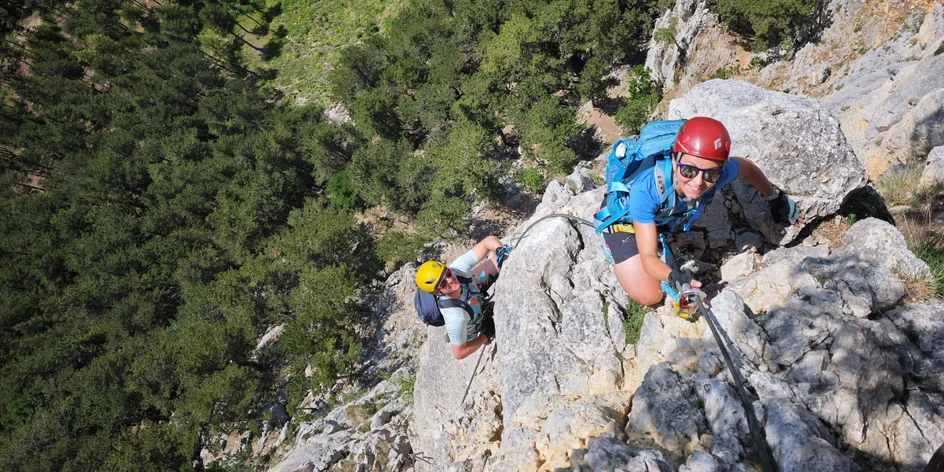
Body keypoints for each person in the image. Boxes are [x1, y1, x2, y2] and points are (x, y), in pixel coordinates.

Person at [601, 117, 802, 305]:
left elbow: (747, 168)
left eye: (711, 174)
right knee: (650, 296)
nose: (698, 182)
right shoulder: (646, 190)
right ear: (674, 160)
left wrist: (775, 198)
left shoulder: (713, 174)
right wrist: (673, 276)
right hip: (624, 220)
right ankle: (612, 244)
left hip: (662, 216)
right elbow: (648, 259)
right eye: (688, 171)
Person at [415, 235, 506, 359]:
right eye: (443, 283)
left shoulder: (456, 270)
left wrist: (500, 250)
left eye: (447, 273)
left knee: (501, 260)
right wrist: (486, 334)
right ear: (437, 293)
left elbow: (487, 242)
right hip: (473, 315)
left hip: (472, 287)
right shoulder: (455, 317)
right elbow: (460, 353)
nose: (450, 279)